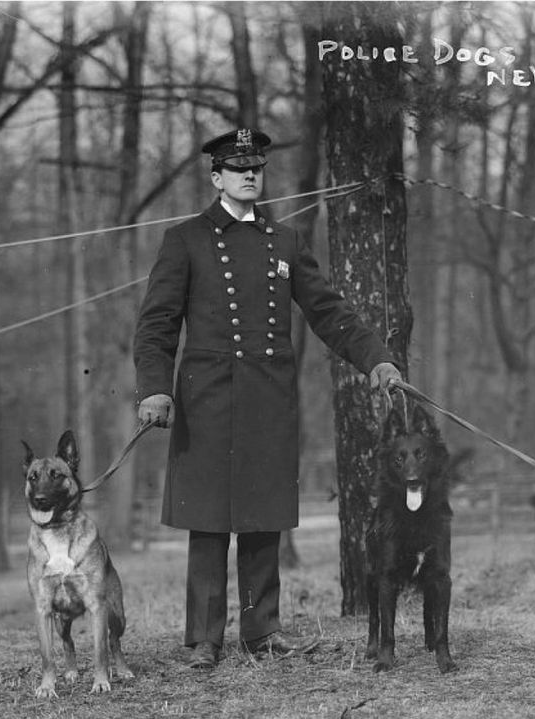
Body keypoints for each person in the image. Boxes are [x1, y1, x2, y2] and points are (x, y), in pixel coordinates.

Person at [132, 128, 402, 669]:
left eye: (256, 167)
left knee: (262, 519)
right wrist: (156, 388)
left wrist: (376, 358)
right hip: (206, 401)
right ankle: (204, 639)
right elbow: (157, 324)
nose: (250, 175)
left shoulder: (286, 241)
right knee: (208, 522)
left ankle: (261, 632)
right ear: (217, 178)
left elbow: (329, 312)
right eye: (238, 168)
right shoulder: (184, 240)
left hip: (268, 399)